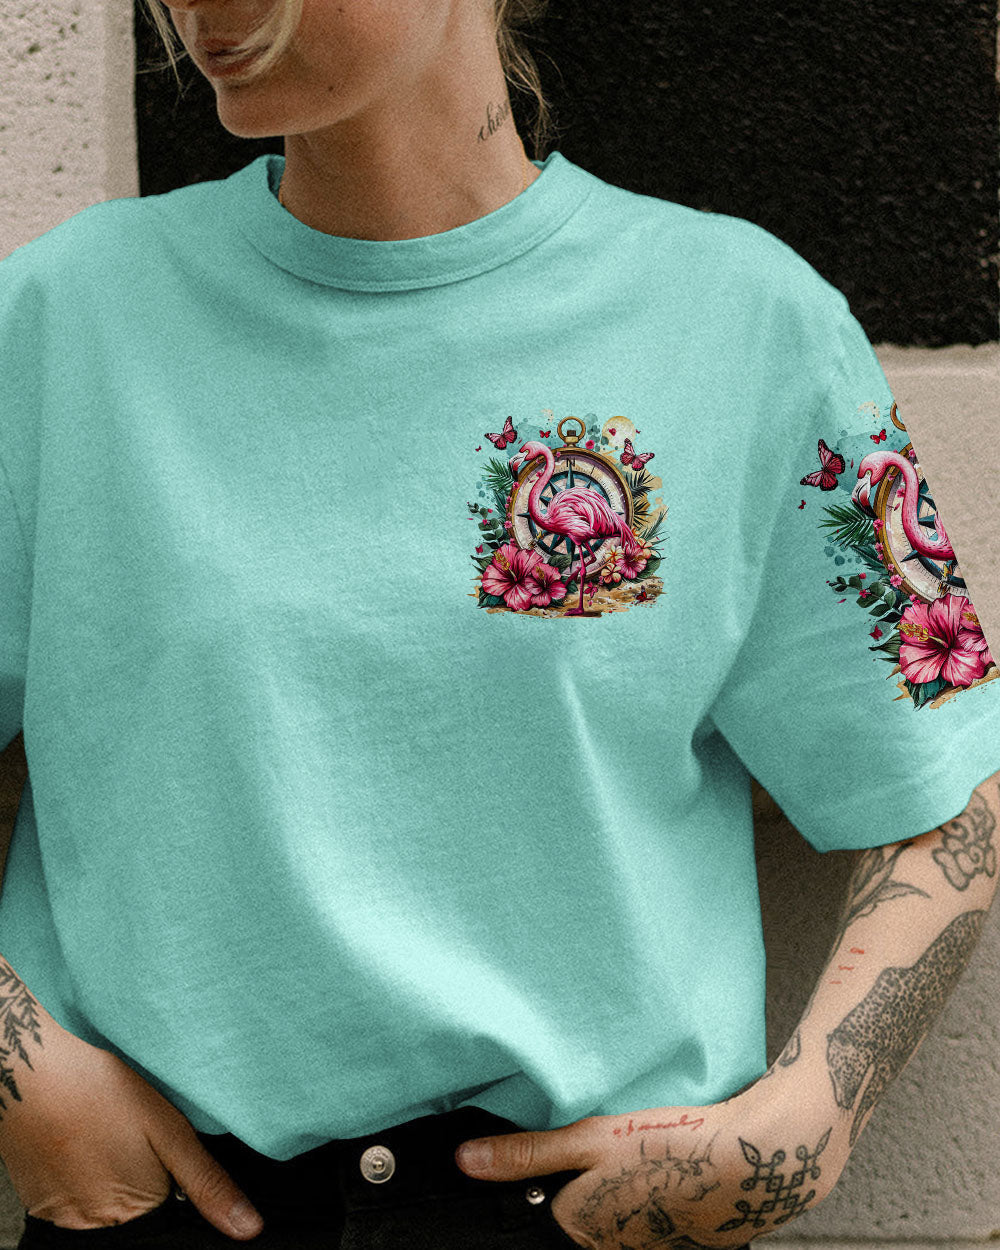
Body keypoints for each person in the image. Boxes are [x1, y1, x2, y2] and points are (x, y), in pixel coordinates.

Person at [0, 1, 998, 1247]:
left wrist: (812, 1115)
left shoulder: (743, 324)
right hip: (179, 1205)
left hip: (582, 1214)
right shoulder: (60, 322)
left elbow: (941, 783)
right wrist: (21, 1066)